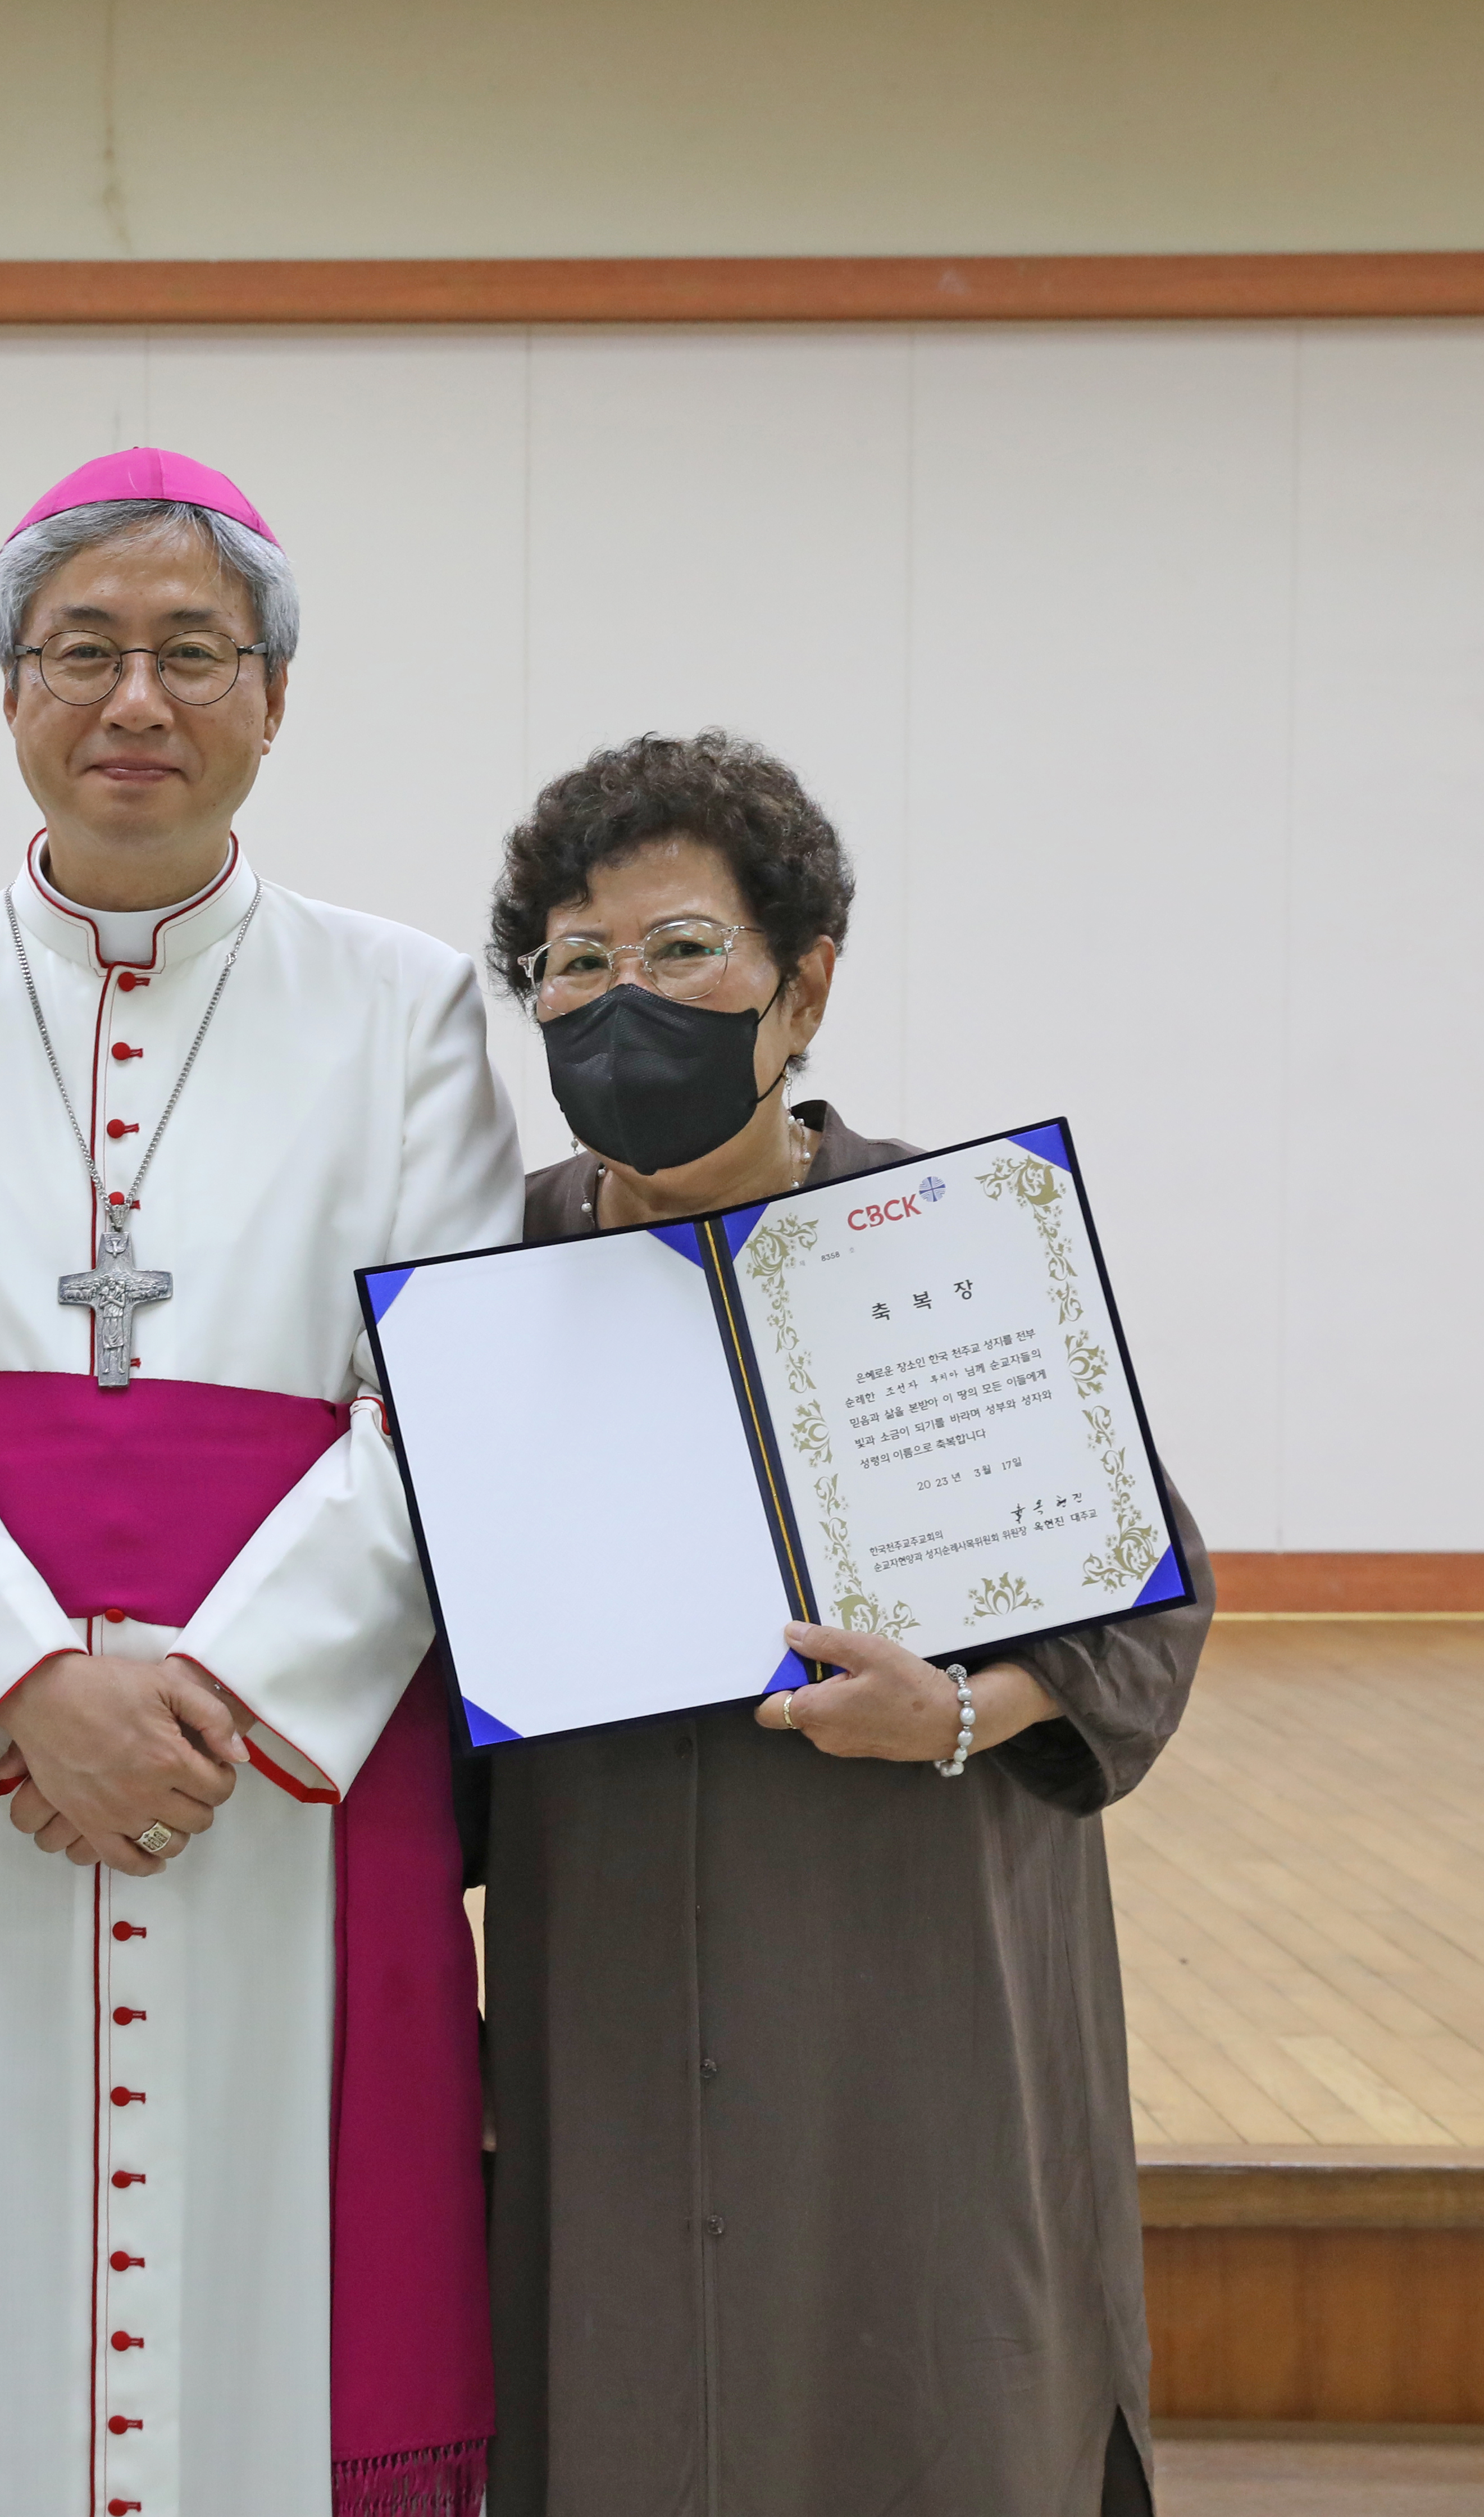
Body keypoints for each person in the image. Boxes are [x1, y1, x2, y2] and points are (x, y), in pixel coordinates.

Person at [0, 449, 518, 2517]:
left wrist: (212, 1703)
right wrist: (26, 1684)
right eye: (83, 650)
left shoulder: (411, 1008)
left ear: (277, 698)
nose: (137, 702)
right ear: (9, 690)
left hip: (275, 1786)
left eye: (196, 653)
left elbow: (435, 1397)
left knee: (287, 2282)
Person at [474, 731, 1212, 2517]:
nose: (621, 998)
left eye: (681, 950)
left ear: (804, 986)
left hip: (907, 1953)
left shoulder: (950, 1244)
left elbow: (1146, 1606)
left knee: (927, 2380)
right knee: (632, 2382)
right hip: (614, 1955)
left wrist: (967, 1709)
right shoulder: (493, 1277)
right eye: (576, 962)